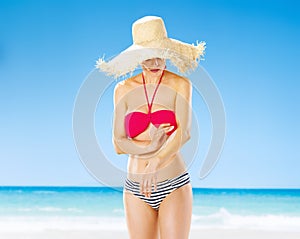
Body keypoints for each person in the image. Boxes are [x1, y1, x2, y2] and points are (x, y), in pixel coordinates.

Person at [97, 16, 205, 239]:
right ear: (137, 57)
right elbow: (118, 144)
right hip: (136, 188)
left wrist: (156, 160)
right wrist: (152, 145)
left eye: (160, 55)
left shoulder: (180, 84)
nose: (155, 63)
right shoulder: (123, 89)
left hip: (172, 183)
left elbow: (184, 132)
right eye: (148, 57)